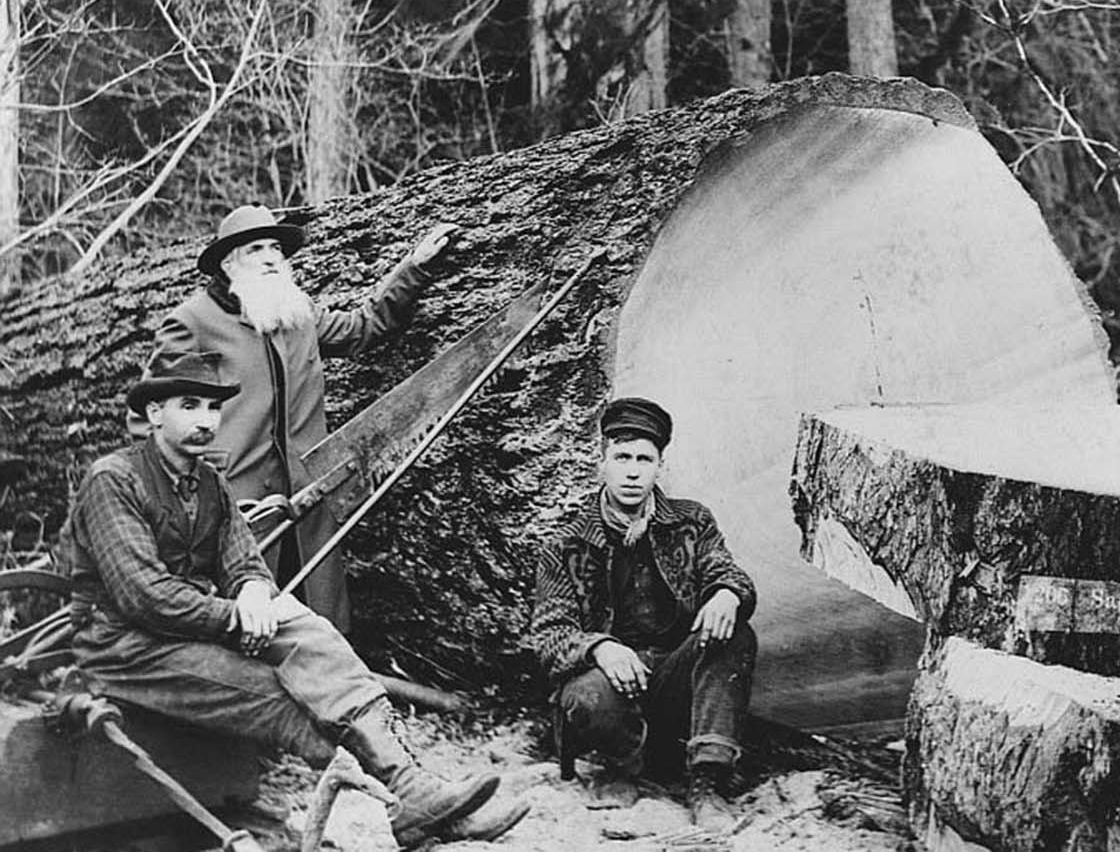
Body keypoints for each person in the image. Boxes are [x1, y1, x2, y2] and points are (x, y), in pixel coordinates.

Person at [62, 352, 524, 848]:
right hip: (124, 649)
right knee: (280, 693)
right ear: (155, 414)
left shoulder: (210, 484)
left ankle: (412, 792)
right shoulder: (114, 479)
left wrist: (256, 594)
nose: (204, 420)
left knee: (310, 633)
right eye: (188, 406)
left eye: (213, 409)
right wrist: (236, 617)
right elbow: (144, 598)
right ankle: (405, 806)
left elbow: (242, 563)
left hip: (189, 628)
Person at [142, 203, 455, 630]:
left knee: (317, 621)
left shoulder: (295, 311)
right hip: (234, 506)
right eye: (257, 249)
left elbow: (364, 327)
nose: (272, 257)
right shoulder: (192, 322)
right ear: (229, 263)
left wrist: (413, 269)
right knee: (238, 624)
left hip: (306, 501)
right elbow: (152, 417)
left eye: (276, 247)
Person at [524, 397, 758, 833]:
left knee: (736, 633)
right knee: (586, 693)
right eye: (622, 457)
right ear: (603, 462)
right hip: (612, 688)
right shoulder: (566, 543)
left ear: (659, 467)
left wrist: (728, 593)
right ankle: (619, 769)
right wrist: (601, 647)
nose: (633, 471)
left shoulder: (691, 521)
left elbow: (724, 569)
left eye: (644, 459)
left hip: (673, 679)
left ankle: (707, 780)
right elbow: (549, 637)